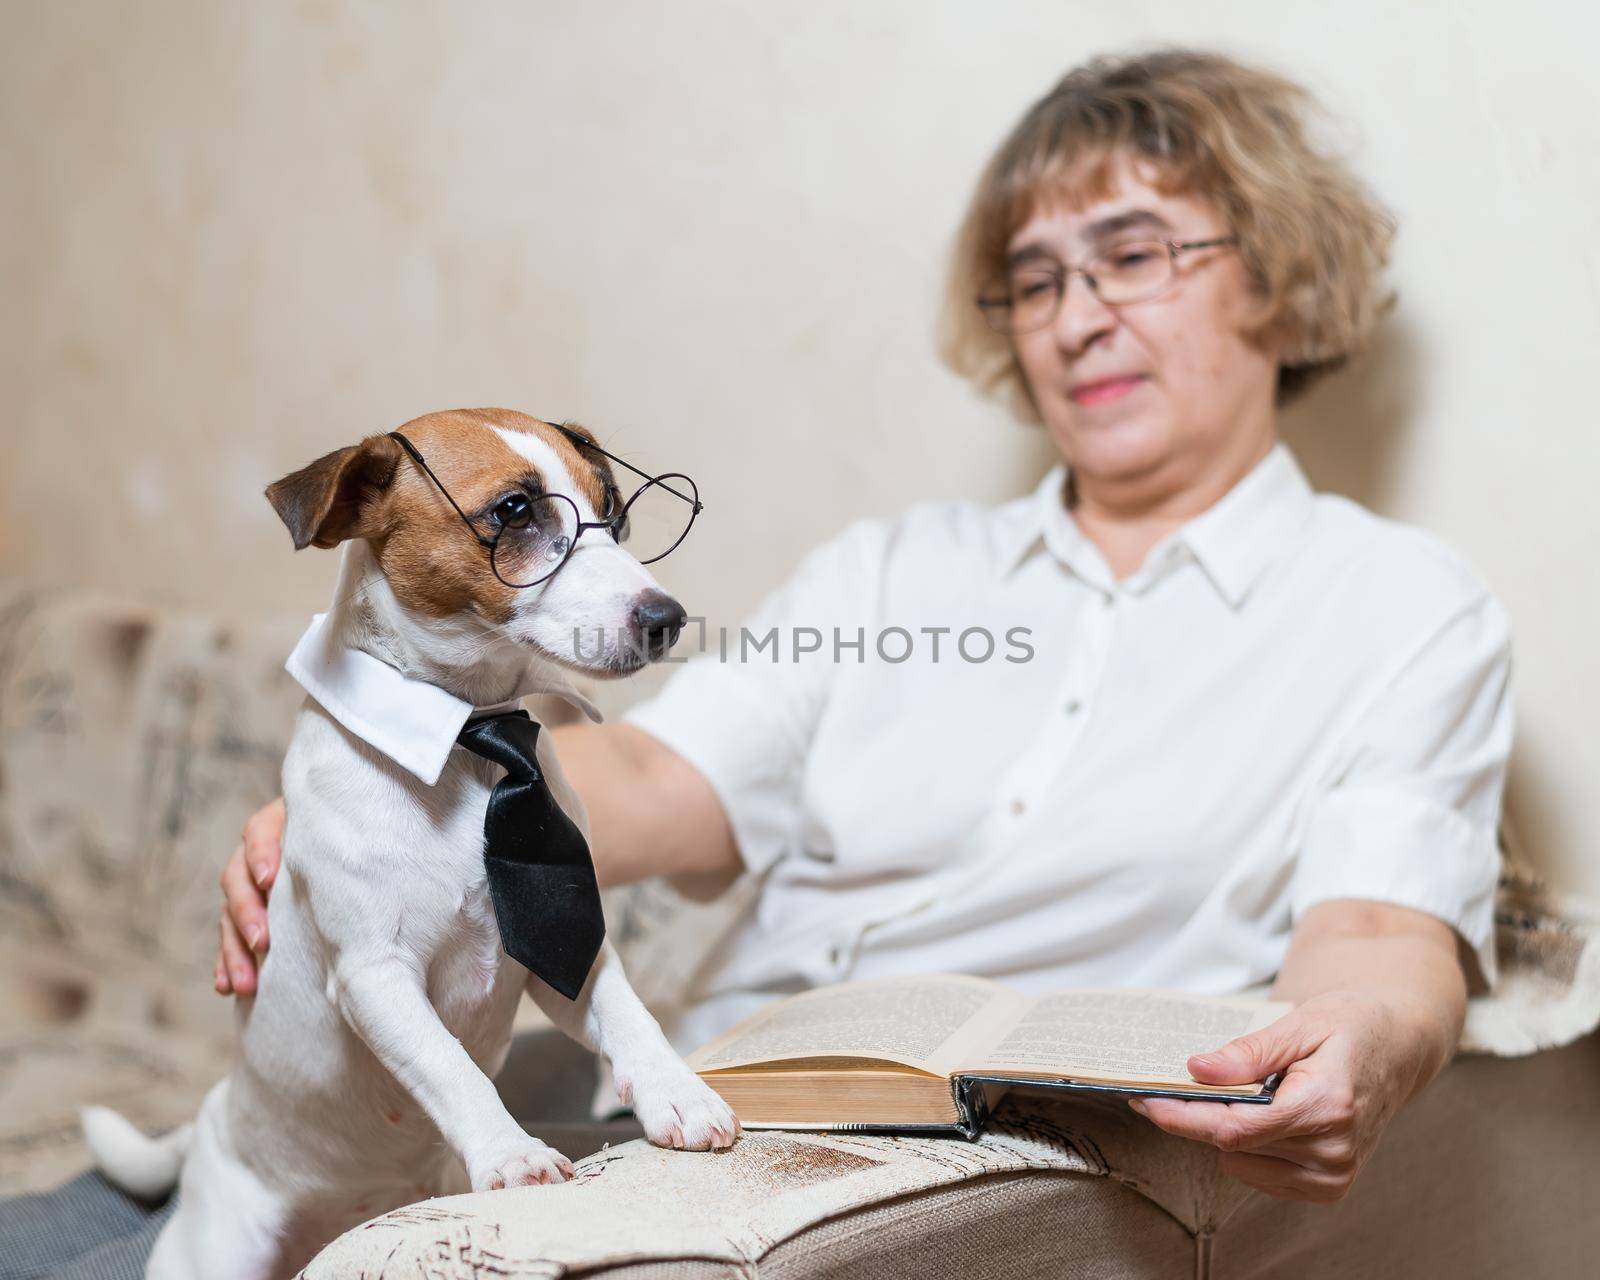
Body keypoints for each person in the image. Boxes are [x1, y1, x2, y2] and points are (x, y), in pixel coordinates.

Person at [213, 48, 1512, 1211]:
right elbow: (663, 777)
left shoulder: (1402, 610)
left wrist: (1369, 1048)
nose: (1073, 316)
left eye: (1133, 254)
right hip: (680, 1109)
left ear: (1280, 281)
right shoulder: (896, 571)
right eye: (1035, 279)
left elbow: (1383, 939)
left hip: (941, 1183)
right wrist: (387, 807)